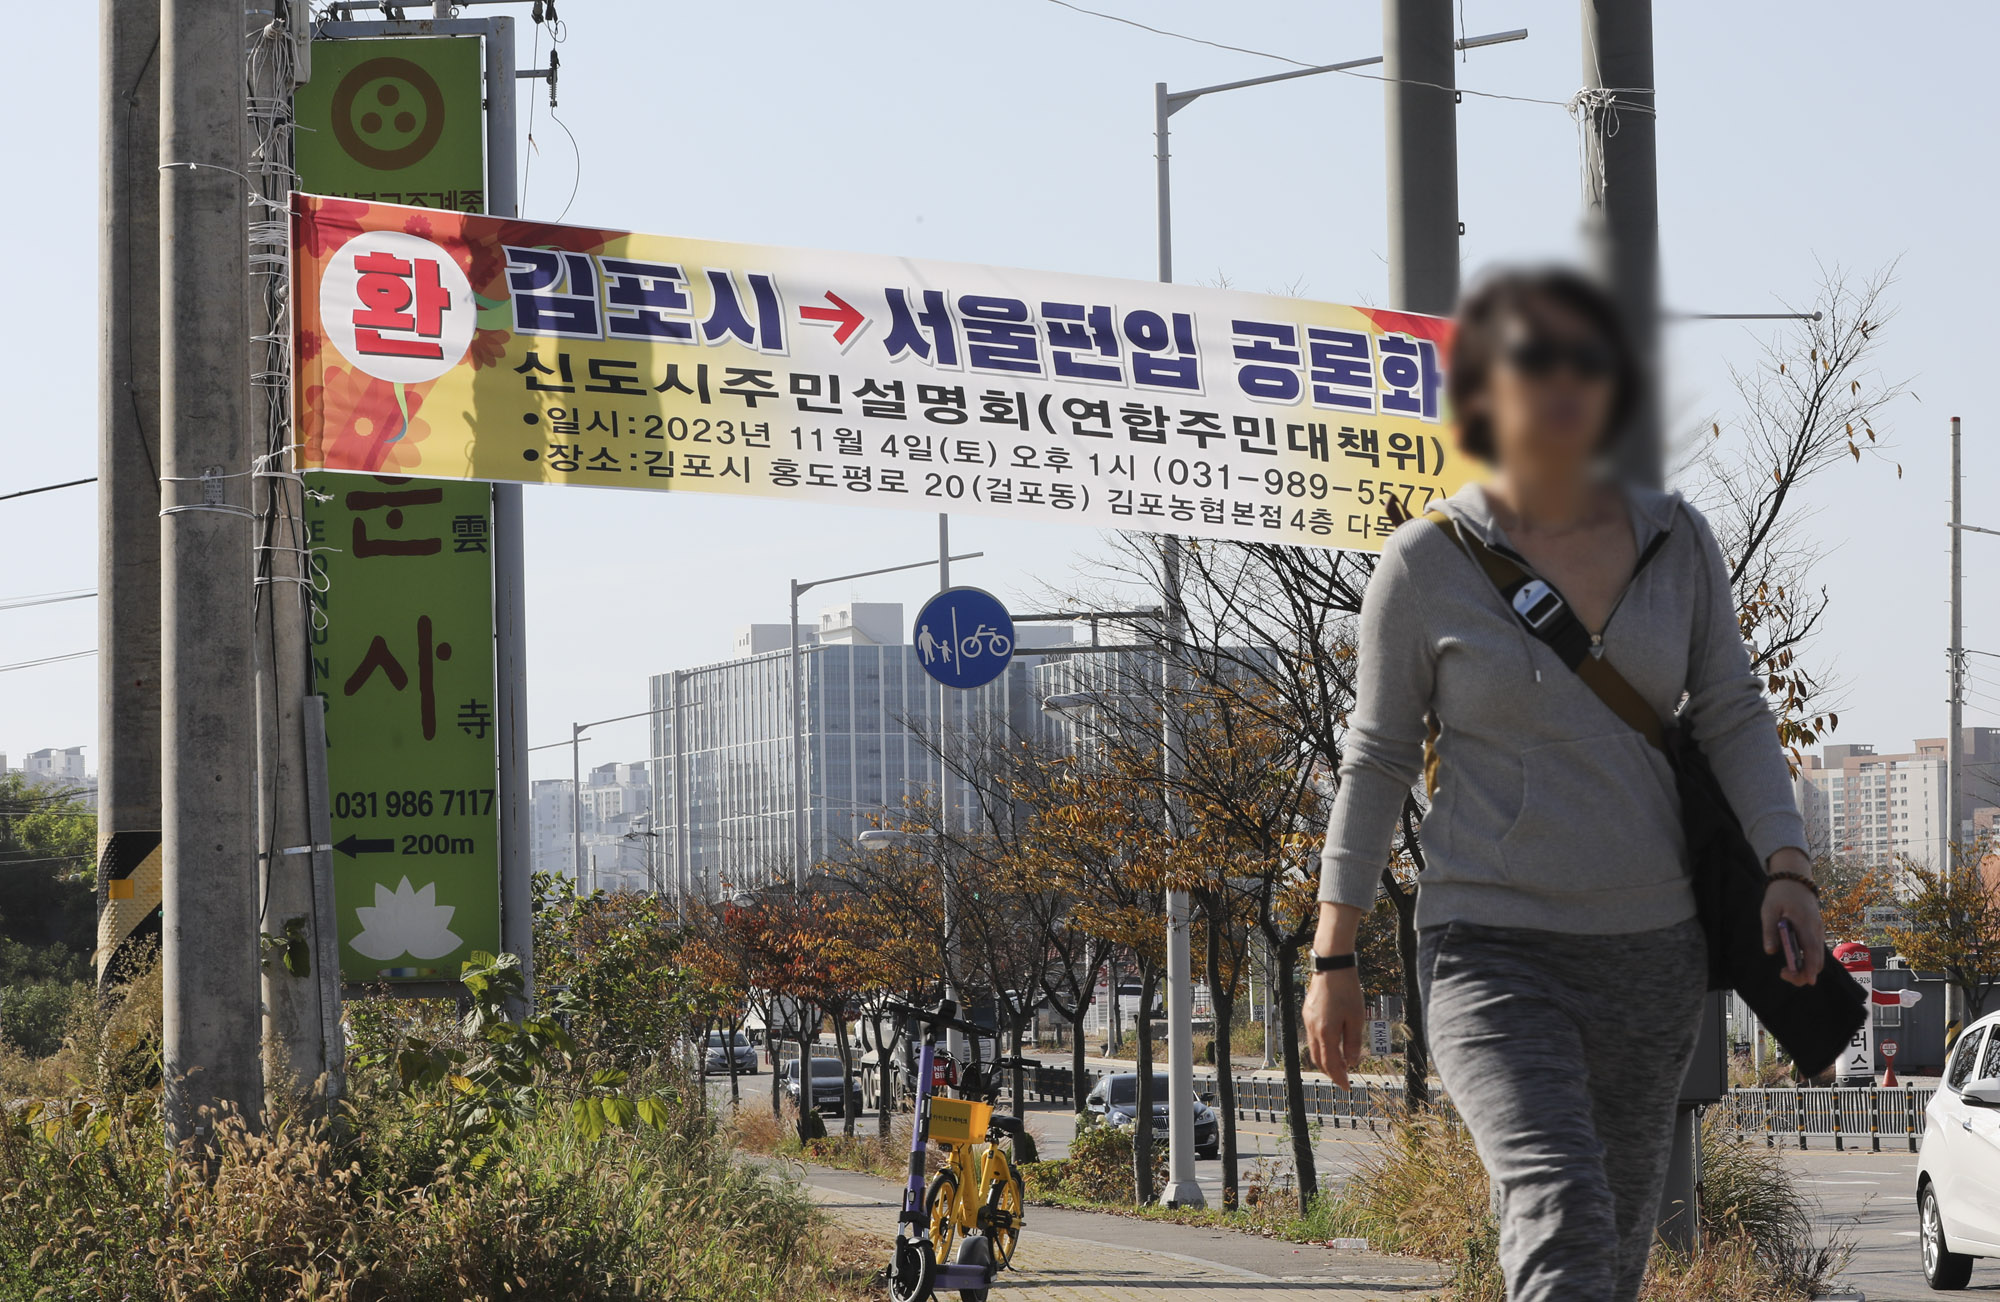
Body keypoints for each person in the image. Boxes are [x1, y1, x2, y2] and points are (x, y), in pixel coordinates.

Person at [1300, 267, 1825, 1302]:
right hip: (1488, 947)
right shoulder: (1424, 564)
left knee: (1613, 1248)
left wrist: (1787, 864)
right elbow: (1377, 757)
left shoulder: (1676, 540)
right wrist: (1334, 953)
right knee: (1561, 1206)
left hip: (1649, 952)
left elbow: (1729, 710)